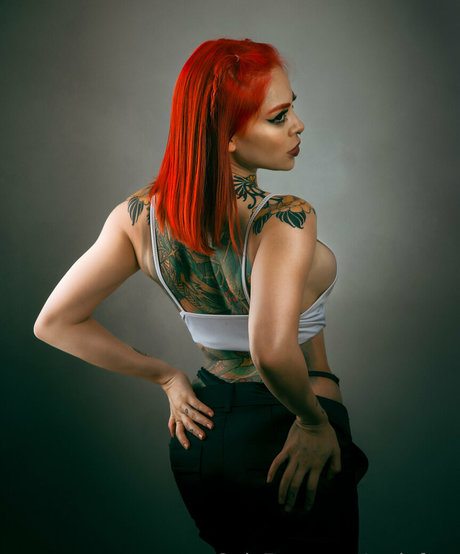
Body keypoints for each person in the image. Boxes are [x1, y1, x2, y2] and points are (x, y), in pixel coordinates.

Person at [34, 38, 369, 554]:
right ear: (228, 137)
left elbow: (55, 322)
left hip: (204, 438)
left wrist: (167, 377)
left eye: (292, 109)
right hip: (290, 432)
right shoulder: (284, 217)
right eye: (279, 117)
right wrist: (312, 422)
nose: (298, 125)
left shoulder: (137, 217)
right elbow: (271, 350)